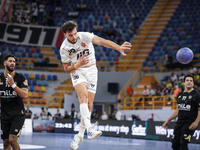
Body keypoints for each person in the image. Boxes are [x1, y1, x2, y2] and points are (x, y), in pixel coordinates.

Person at [60, 20, 132, 150]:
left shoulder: (85, 36)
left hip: (92, 70)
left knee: (88, 105)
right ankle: (89, 129)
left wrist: (118, 47)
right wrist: (77, 65)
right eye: (70, 35)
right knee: (83, 98)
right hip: (77, 70)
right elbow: (66, 69)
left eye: (75, 33)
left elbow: (103, 42)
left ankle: (79, 136)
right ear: (65, 34)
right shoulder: (64, 48)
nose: (74, 37)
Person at [162, 74, 200, 150]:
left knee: (183, 143)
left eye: (191, 81)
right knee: (175, 145)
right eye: (187, 80)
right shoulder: (180, 95)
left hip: (189, 123)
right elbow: (178, 110)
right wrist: (168, 120)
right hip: (179, 122)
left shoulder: (197, 95)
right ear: (184, 82)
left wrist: (196, 122)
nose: (189, 82)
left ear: (193, 83)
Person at [0, 54, 28, 150]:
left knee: (12, 139)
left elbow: (25, 95)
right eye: (10, 61)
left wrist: (13, 85)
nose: (13, 63)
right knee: (6, 142)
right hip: (4, 115)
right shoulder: (0, 79)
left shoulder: (21, 78)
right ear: (4, 63)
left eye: (14, 61)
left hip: (17, 114)